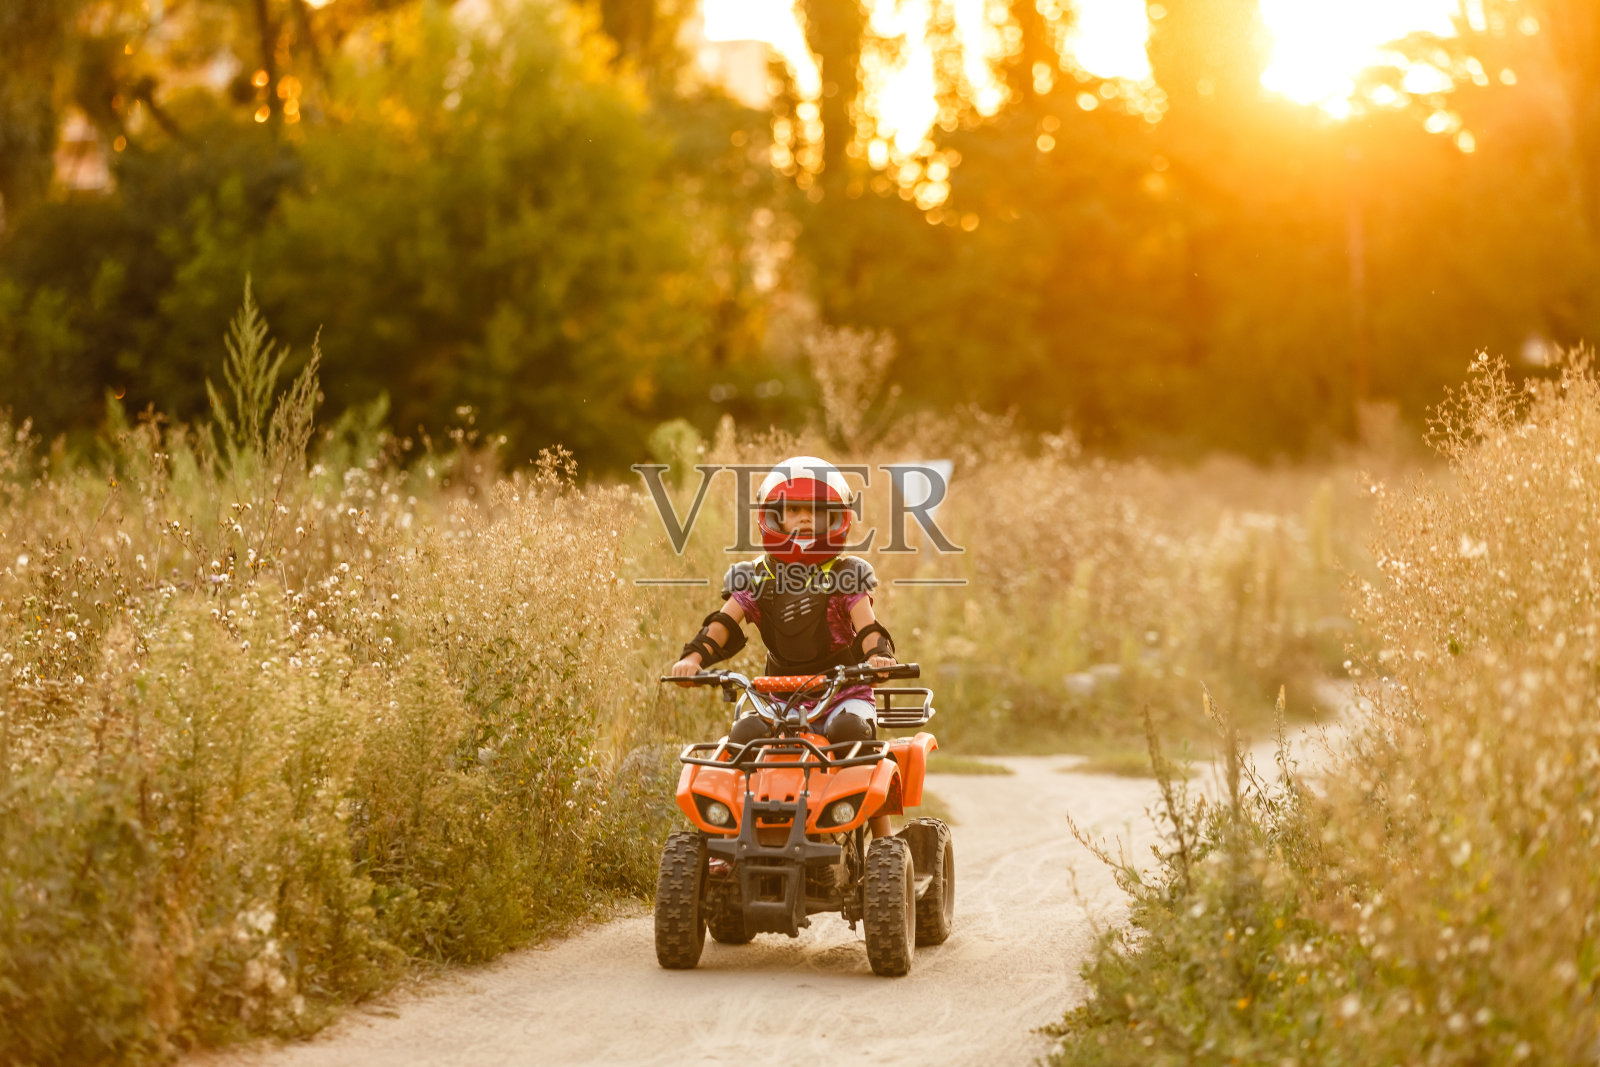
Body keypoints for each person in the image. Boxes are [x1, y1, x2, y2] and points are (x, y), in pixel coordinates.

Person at [670, 455, 900, 837]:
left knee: (851, 737)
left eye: (816, 510)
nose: (805, 519)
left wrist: (879, 655)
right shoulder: (754, 577)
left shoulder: (847, 575)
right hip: (776, 696)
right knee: (743, 738)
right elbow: (723, 624)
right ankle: (726, 838)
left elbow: (868, 628)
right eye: (793, 509)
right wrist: (693, 659)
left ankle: (883, 843)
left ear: (836, 518)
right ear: (773, 517)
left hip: (842, 694)